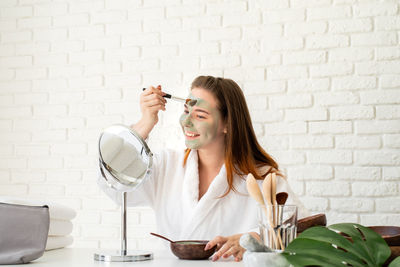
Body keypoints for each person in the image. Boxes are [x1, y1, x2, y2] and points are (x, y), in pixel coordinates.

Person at [98, 76, 308, 261]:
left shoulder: (263, 178)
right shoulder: (165, 165)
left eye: (200, 115)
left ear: (227, 124)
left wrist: (255, 238)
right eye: (186, 111)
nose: (186, 122)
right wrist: (145, 124)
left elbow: (308, 229)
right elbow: (114, 186)